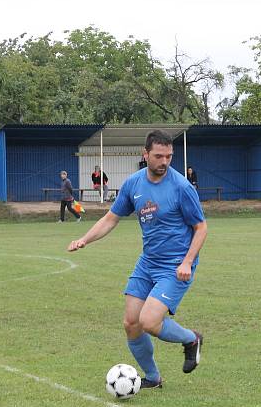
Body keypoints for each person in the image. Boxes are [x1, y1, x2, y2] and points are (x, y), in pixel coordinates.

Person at [68, 130, 207, 390]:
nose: (164, 161)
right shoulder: (133, 184)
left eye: (168, 156)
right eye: (158, 156)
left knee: (149, 322)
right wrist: (85, 239)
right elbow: (111, 218)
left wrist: (187, 261)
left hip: (175, 265)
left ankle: (191, 339)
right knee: (131, 323)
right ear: (145, 155)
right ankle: (153, 378)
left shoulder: (182, 187)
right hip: (148, 263)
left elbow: (201, 228)